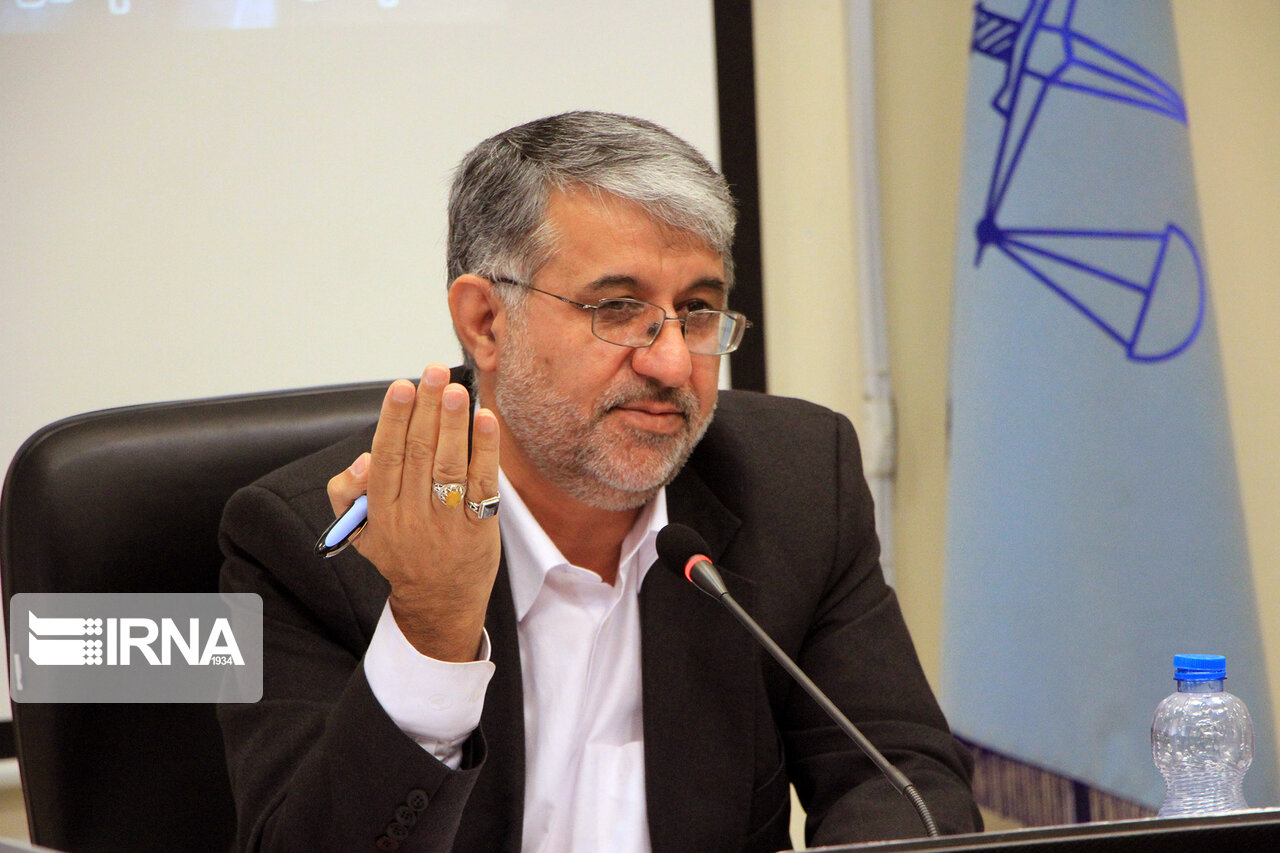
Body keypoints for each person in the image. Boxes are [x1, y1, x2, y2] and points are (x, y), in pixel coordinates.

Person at [218, 111, 981, 853]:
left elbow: (906, 785)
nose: (672, 362)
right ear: (485, 322)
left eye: (698, 310)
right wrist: (432, 627)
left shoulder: (798, 483)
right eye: (618, 308)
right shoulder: (313, 542)